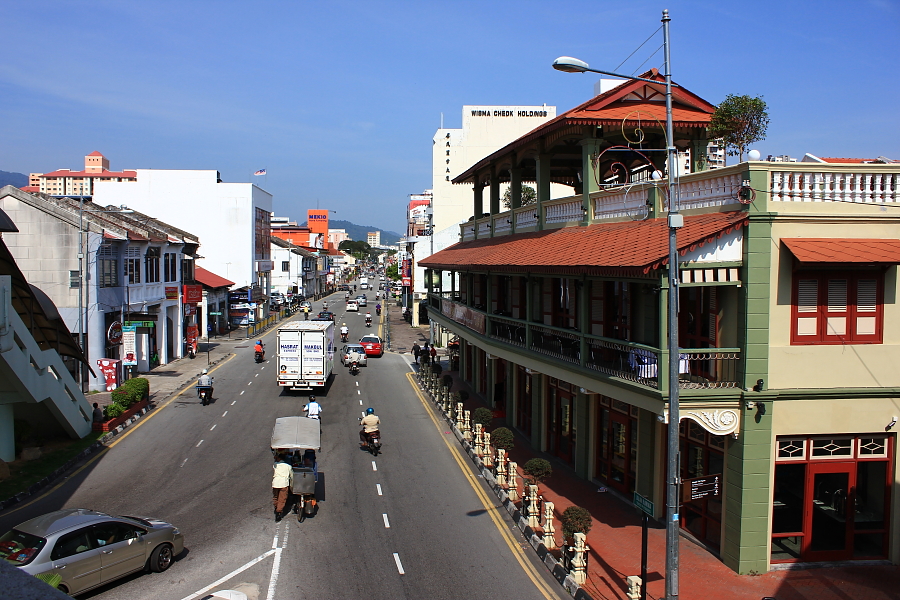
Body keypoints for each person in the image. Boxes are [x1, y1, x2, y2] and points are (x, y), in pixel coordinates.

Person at [272, 453, 293, 521]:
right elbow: (291, 475)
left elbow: (275, 460)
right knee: (282, 498)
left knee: (276, 496)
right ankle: (279, 512)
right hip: (284, 484)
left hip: (275, 483)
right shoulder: (288, 466)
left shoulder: (275, 465)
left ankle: (276, 507)